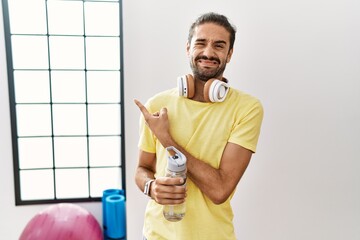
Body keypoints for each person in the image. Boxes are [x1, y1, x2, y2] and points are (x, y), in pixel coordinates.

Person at [134, 12, 263, 240]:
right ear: (188, 49)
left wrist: (167, 140)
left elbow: (220, 190)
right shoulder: (158, 104)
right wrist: (151, 187)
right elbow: (142, 169)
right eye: (201, 43)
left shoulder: (247, 108)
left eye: (219, 45)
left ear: (229, 54)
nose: (208, 52)